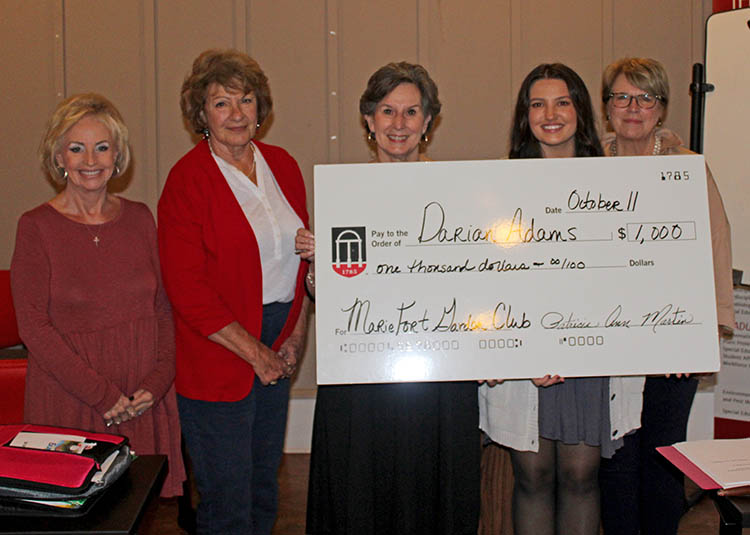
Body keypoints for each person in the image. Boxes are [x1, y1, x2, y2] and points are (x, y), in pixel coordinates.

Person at [301, 62, 480, 535]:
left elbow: (475, 280)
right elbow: (330, 289)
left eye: (411, 112)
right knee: (363, 490)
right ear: (368, 120)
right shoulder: (344, 196)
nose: (398, 124)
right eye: (386, 111)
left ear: (428, 122)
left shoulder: (458, 194)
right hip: (365, 374)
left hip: (438, 374)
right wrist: (320, 270)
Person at [478, 63, 645, 535]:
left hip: (591, 358)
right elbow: (489, 279)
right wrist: (525, 351)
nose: (550, 114)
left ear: (581, 111)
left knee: (580, 475)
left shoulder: (619, 187)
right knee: (532, 475)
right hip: (525, 360)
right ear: (523, 115)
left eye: (562, 101)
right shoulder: (495, 190)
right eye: (537, 103)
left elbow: (629, 274)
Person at [157, 49, 310, 535]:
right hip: (220, 348)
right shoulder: (186, 180)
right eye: (222, 103)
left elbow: (300, 259)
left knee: (265, 483)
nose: (237, 113)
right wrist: (255, 353)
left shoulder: (283, 165)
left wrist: (293, 338)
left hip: (279, 336)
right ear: (201, 114)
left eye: (245, 100)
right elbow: (187, 290)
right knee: (227, 496)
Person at [10, 93, 185, 497]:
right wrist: (104, 396)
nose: (91, 160)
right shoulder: (35, 226)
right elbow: (33, 328)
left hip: (141, 399)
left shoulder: (141, 217)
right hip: (72, 400)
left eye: (102, 147)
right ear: (58, 158)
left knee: (136, 509)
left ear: (118, 155)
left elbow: (162, 308)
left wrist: (156, 384)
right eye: (77, 148)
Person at [598, 57, 734, 535]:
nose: (633, 107)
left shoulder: (688, 170)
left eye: (645, 98)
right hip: (606, 344)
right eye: (621, 97)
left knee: (661, 460)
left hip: (672, 346)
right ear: (606, 107)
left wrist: (703, 335)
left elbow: (717, 245)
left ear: (661, 109)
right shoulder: (585, 169)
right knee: (614, 462)